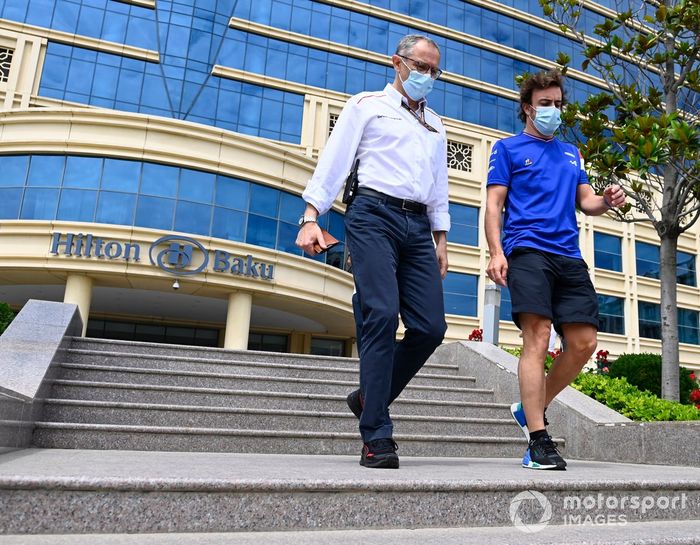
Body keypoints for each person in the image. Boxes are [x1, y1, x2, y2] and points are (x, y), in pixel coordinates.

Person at [296, 34, 450, 469]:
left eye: (434, 71)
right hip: (372, 214)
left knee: (431, 327)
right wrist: (311, 217)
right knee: (381, 313)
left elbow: (439, 187)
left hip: (418, 225)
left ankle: (368, 397)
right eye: (421, 67)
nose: (427, 77)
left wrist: (441, 239)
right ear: (397, 63)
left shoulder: (436, 124)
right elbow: (334, 161)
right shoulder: (366, 105)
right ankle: (376, 436)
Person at [485, 69, 625, 470]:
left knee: (583, 342)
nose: (552, 111)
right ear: (528, 107)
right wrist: (497, 252)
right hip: (526, 249)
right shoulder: (507, 148)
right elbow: (494, 206)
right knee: (538, 335)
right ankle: (537, 440)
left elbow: (587, 202)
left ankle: (531, 405)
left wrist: (608, 199)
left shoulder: (571, 154)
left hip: (568, 255)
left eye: (558, 104)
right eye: (545, 104)